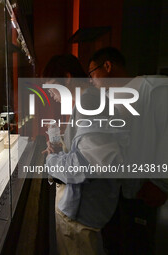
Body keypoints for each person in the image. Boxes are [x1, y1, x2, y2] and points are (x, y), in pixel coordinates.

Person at [88, 47, 168, 254]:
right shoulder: (113, 98)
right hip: (120, 192)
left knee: (139, 245)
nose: (91, 80)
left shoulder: (154, 88)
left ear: (107, 66)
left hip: (145, 192)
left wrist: (161, 182)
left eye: (92, 74)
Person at [42, 54, 124, 255]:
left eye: (51, 85)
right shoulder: (89, 100)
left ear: (67, 78)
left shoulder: (89, 103)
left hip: (81, 214)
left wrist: (51, 161)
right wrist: (61, 150)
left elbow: (86, 165)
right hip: (86, 208)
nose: (51, 93)